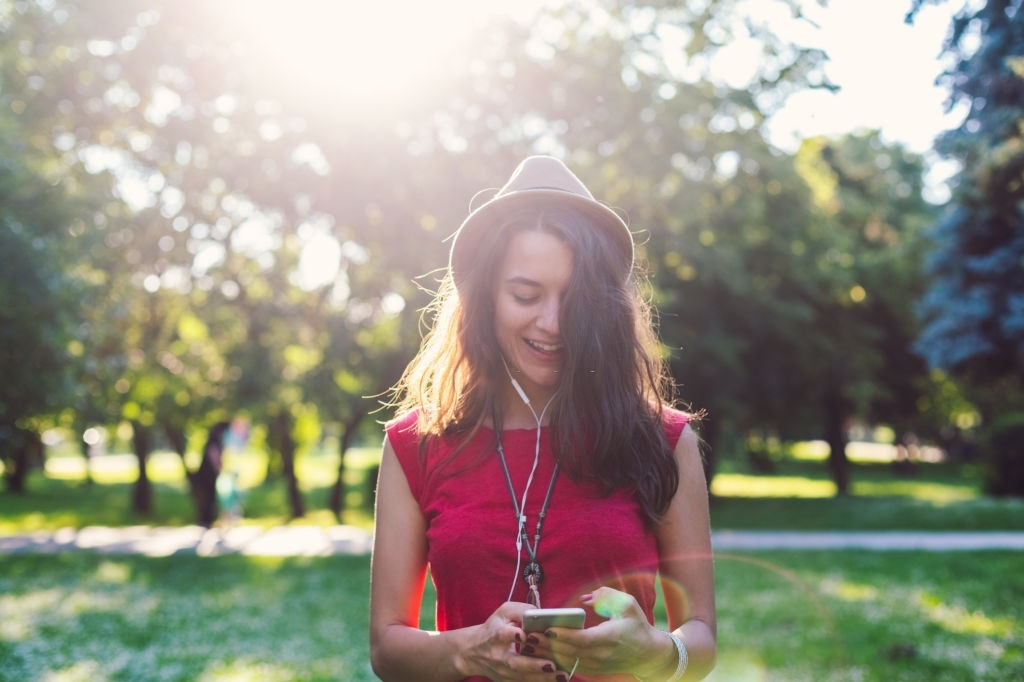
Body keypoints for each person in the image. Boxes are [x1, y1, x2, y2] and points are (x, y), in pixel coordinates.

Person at [369, 156, 716, 682]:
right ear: (483, 297)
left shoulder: (663, 439)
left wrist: (662, 655)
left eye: (575, 300)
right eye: (525, 295)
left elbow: (702, 637)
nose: (552, 323)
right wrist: (464, 651)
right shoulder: (416, 444)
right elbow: (386, 649)